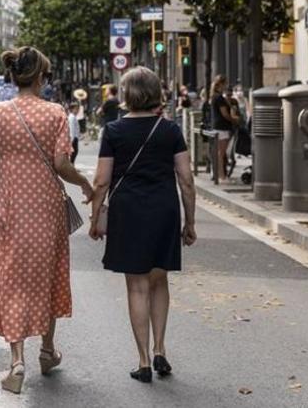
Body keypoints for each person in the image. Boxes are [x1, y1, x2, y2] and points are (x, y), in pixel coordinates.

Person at [0, 47, 93, 395]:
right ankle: (47, 350)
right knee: (49, 275)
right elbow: (61, 164)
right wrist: (85, 184)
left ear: (14, 76)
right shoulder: (55, 112)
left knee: (11, 276)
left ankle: (17, 362)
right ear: (42, 77)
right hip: (46, 209)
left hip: (8, 208)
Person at [88, 66, 196, 383]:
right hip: (164, 210)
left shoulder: (115, 131)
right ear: (155, 92)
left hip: (128, 212)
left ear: (126, 94)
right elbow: (186, 181)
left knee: (136, 286)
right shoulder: (171, 130)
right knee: (159, 280)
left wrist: (95, 220)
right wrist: (190, 222)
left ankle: (144, 360)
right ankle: (161, 348)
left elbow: (101, 181)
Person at [209, 75, 235, 184]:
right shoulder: (219, 98)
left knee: (220, 152)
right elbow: (224, 113)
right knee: (221, 153)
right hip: (222, 127)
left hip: (217, 126)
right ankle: (222, 176)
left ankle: (218, 174)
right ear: (221, 84)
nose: (226, 86)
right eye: (225, 84)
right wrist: (233, 120)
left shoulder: (214, 96)